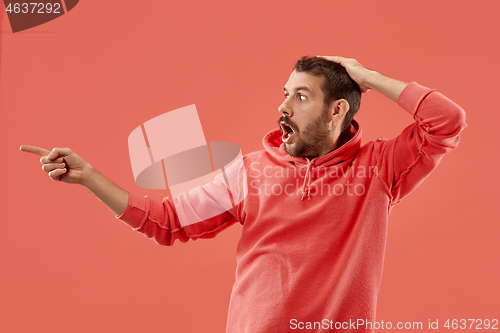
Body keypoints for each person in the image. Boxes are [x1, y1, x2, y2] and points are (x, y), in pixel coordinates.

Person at [20, 56, 467, 332]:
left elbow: (446, 122)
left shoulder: (379, 168)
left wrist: (367, 76)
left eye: (302, 97)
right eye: (285, 94)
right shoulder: (249, 173)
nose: (284, 108)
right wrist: (90, 177)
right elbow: (167, 222)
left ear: (337, 111)